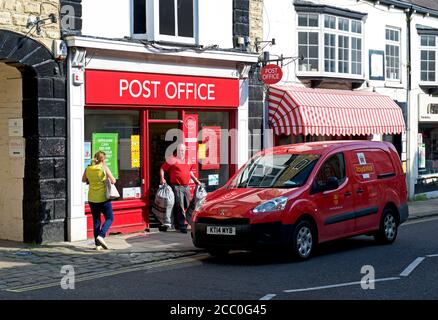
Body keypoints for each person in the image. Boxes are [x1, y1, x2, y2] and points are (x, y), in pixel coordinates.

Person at [160, 143, 201, 233]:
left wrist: (195, 180)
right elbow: (162, 168)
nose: (181, 152)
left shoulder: (187, 160)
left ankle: (179, 222)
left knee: (187, 204)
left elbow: (190, 171)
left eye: (182, 150)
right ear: (177, 151)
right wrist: (162, 178)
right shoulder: (172, 159)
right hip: (177, 186)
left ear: (185, 151)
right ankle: (182, 225)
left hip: (186, 186)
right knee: (180, 205)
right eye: (179, 150)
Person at [82, 151, 117, 250]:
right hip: (103, 198)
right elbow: (114, 180)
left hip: (92, 198)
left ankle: (97, 245)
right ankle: (101, 236)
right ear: (102, 159)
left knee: (96, 220)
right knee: (110, 218)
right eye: (105, 159)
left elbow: (83, 180)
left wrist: (93, 180)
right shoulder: (104, 168)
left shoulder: (88, 168)